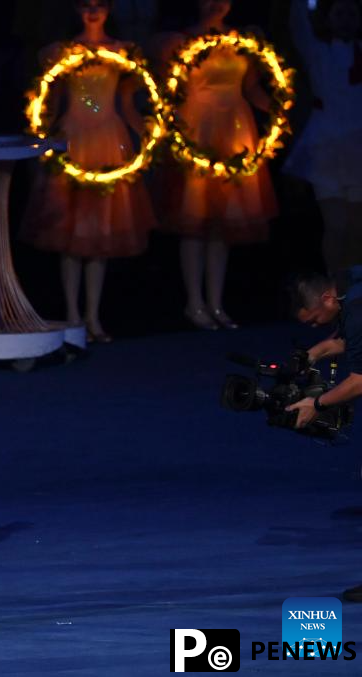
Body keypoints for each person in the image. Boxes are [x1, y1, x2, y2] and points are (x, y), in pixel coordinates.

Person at [22, 0, 156, 343]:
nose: (93, 10)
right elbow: (49, 102)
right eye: (86, 4)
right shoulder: (60, 52)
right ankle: (71, 315)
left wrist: (150, 139)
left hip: (108, 140)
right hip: (74, 138)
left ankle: (93, 317)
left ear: (110, 9)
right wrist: (41, 142)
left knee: (100, 236)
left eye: (99, 4)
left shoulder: (124, 51)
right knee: (71, 234)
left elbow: (126, 104)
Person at [152, 0, 278, 331]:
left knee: (224, 223)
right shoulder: (178, 42)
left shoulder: (244, 41)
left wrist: (280, 108)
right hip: (198, 129)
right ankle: (194, 303)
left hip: (235, 130)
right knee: (195, 220)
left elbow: (250, 89)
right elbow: (170, 93)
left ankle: (217, 303)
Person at [287, 267, 362, 602]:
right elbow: (346, 340)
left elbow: (361, 380)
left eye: (316, 319)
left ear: (328, 298)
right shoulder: (352, 290)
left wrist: (316, 403)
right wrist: (313, 354)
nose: (318, 326)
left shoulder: (358, 310)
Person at [284, 0, 362, 274]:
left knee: (356, 227)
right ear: (328, 19)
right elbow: (298, 23)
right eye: (340, 14)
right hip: (327, 146)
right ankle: (336, 284)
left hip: (357, 149)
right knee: (336, 225)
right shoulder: (317, 51)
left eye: (351, 14)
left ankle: (353, 289)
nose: (346, 20)